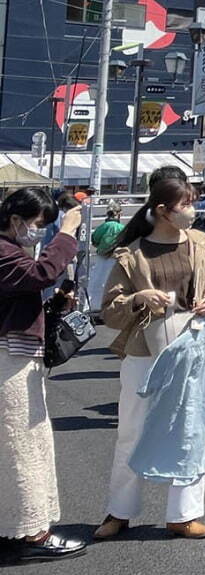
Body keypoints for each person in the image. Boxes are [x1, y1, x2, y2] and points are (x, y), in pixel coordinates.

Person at [95, 178, 205, 541]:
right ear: (162, 211)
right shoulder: (132, 253)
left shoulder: (202, 244)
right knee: (132, 431)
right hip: (145, 349)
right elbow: (109, 310)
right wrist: (139, 298)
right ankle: (119, 511)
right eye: (186, 204)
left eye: (193, 202)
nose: (193, 209)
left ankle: (184, 515)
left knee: (194, 428)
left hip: (194, 346)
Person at [0, 189, 87, 563]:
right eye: (38, 225)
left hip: (15, 357)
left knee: (18, 444)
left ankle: (15, 526)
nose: (38, 232)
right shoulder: (3, 250)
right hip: (8, 362)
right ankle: (34, 534)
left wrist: (52, 303)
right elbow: (41, 272)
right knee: (22, 445)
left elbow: (25, 289)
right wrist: (67, 233)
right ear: (16, 218)